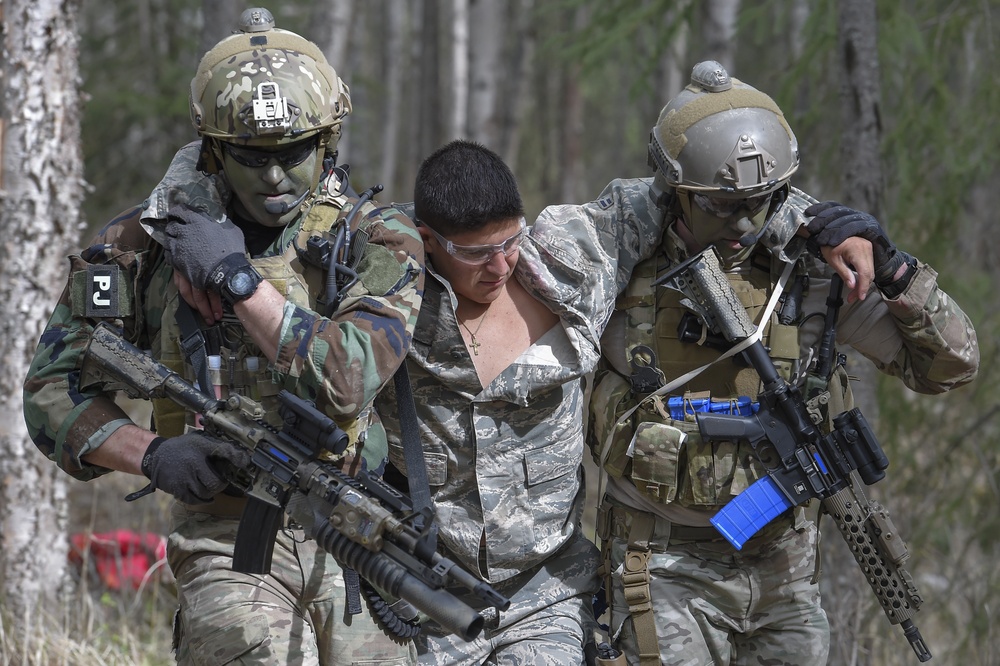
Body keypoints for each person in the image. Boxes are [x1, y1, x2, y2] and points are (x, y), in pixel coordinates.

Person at [23, 8, 423, 665]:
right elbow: (51, 394)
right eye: (251, 157)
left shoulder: (377, 237)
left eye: (294, 154)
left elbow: (347, 380)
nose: (273, 178)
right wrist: (150, 454)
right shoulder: (139, 248)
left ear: (328, 142)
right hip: (222, 530)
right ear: (212, 148)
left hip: (355, 524)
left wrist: (239, 281)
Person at [588, 61, 980, 665]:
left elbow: (950, 365)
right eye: (720, 206)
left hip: (786, 571)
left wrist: (896, 267)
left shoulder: (814, 273)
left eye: (760, 202)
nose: (743, 225)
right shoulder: (618, 264)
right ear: (677, 193)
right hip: (662, 562)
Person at [377, 139, 666, 665]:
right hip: (423, 597)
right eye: (475, 252)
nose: (500, 265)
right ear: (428, 242)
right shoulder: (387, 296)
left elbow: (690, 186)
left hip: (548, 591)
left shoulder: (567, 265)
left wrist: (822, 225)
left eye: (510, 241)